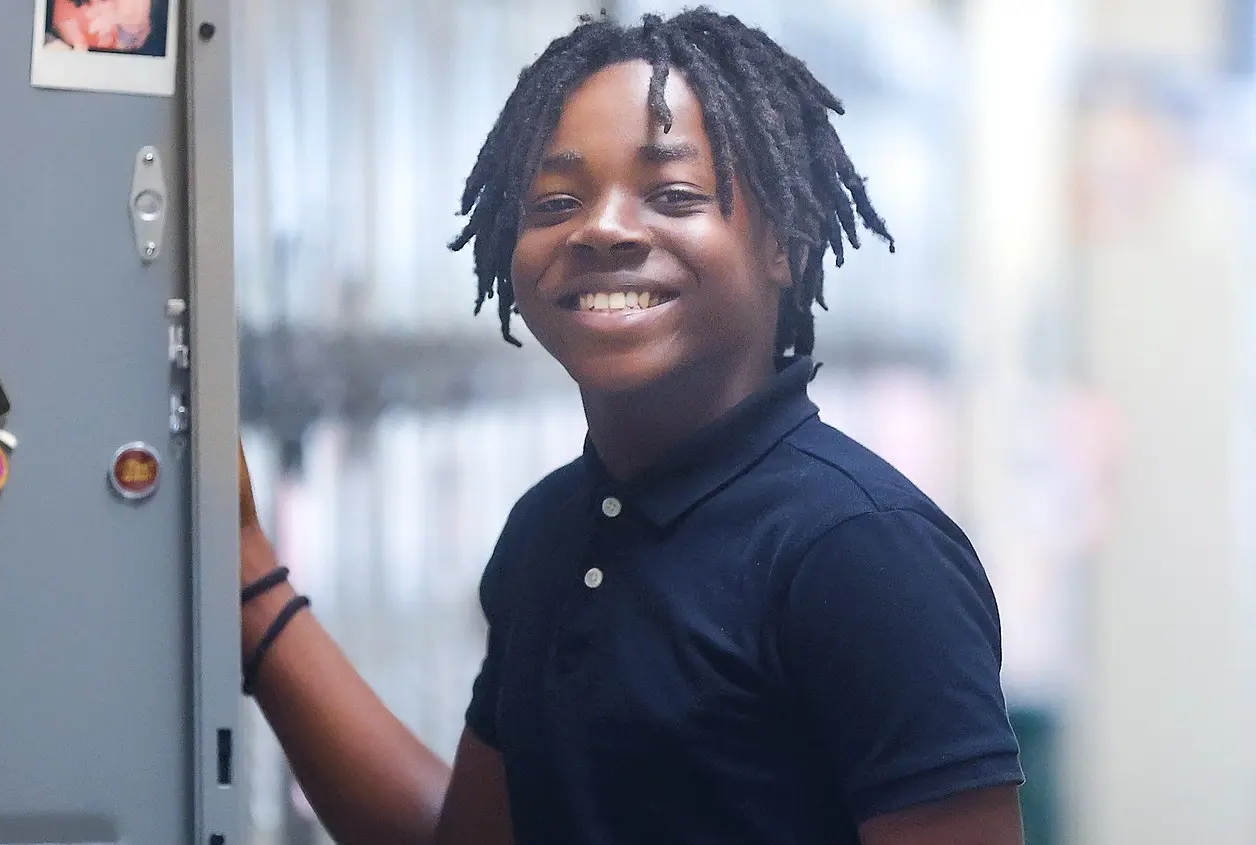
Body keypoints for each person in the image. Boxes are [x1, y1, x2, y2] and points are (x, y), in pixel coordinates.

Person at [235, 9, 1026, 845]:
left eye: (674, 195)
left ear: (784, 245)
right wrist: (249, 576)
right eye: (556, 200)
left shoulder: (861, 550)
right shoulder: (548, 531)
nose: (602, 228)